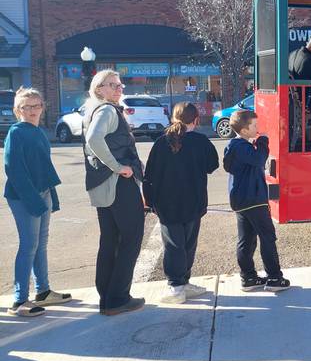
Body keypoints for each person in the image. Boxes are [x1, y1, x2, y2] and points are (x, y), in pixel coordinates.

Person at [143, 102, 219, 304]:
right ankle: (183, 282)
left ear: (173, 118)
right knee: (188, 243)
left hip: (166, 203)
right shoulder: (201, 141)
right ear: (196, 120)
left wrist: (148, 201)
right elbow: (213, 165)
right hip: (194, 201)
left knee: (173, 244)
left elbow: (149, 174)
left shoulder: (161, 142)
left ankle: (176, 286)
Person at [4, 88, 71, 317]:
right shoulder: (17, 132)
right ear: (17, 110)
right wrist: (33, 200)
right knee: (28, 245)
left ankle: (42, 292)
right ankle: (19, 301)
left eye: (36, 105)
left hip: (43, 193)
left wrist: (51, 196)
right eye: (26, 107)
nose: (32, 110)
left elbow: (43, 168)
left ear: (43, 107)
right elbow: (14, 171)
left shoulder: (39, 131)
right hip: (24, 197)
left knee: (40, 244)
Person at [84, 70, 146, 316]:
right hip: (118, 184)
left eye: (120, 84)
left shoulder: (94, 110)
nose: (119, 88)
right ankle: (118, 297)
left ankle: (108, 297)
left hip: (103, 185)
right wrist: (118, 167)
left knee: (110, 240)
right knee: (131, 238)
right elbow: (94, 139)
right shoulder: (108, 110)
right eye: (112, 85)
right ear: (99, 89)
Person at [223, 109, 291, 292]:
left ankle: (249, 277)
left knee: (246, 239)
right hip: (254, 198)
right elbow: (259, 159)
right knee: (267, 237)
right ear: (244, 130)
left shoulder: (234, 146)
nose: (257, 128)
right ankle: (275, 277)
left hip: (241, 199)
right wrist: (263, 141)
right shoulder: (242, 146)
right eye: (254, 126)